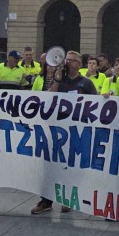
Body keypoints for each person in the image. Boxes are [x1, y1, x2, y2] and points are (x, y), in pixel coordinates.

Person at [30, 50, 98, 215]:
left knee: (72, 168)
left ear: (79, 64)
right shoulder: (59, 80)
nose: (68, 62)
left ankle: (68, 199)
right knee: (50, 166)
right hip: (56, 130)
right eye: (67, 59)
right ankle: (46, 201)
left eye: (72, 60)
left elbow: (95, 105)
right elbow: (49, 98)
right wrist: (57, 79)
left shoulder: (86, 83)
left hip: (76, 131)